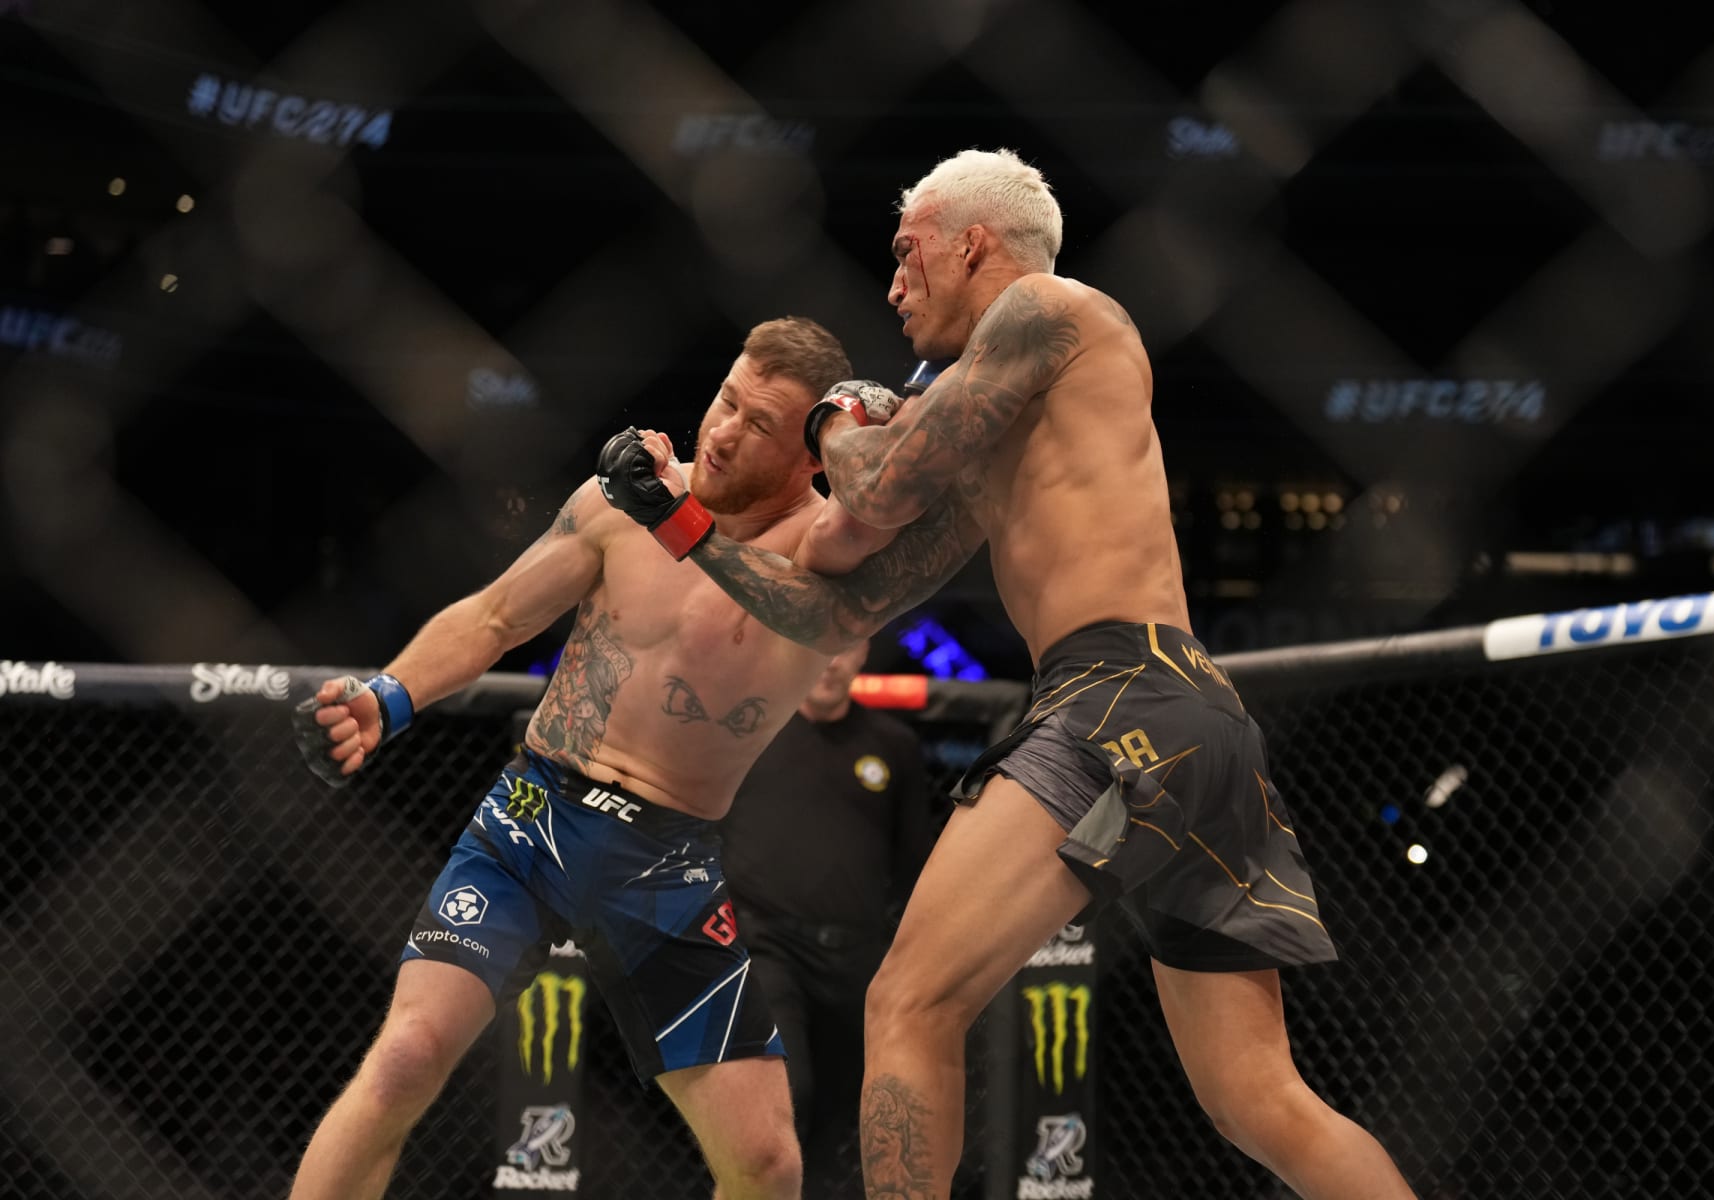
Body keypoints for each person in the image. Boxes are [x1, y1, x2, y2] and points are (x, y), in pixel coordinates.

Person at [602, 149, 1416, 1199]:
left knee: (908, 1003)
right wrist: (683, 524)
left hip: (1117, 697)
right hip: (1192, 714)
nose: (893, 288)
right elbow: (839, 598)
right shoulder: (993, 424)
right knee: (1257, 1101)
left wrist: (829, 420)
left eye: (906, 257)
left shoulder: (1049, 309)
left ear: (970, 244)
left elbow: (878, 490)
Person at [285, 316, 905, 1200]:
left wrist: (696, 509)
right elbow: (499, 617)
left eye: (759, 423)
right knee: (404, 1060)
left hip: (664, 857)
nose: (723, 431)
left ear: (811, 455)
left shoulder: (823, 551)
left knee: (766, 1161)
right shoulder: (623, 498)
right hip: (531, 819)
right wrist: (388, 697)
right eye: (725, 401)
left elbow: (870, 520)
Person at [720, 637, 936, 1200]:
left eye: (844, 647)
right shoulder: (748, 732)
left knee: (840, 1125)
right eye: (818, 646)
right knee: (783, 1104)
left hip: (858, 962)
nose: (831, 660)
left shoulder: (893, 746)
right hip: (764, 946)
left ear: (864, 654)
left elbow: (917, 866)